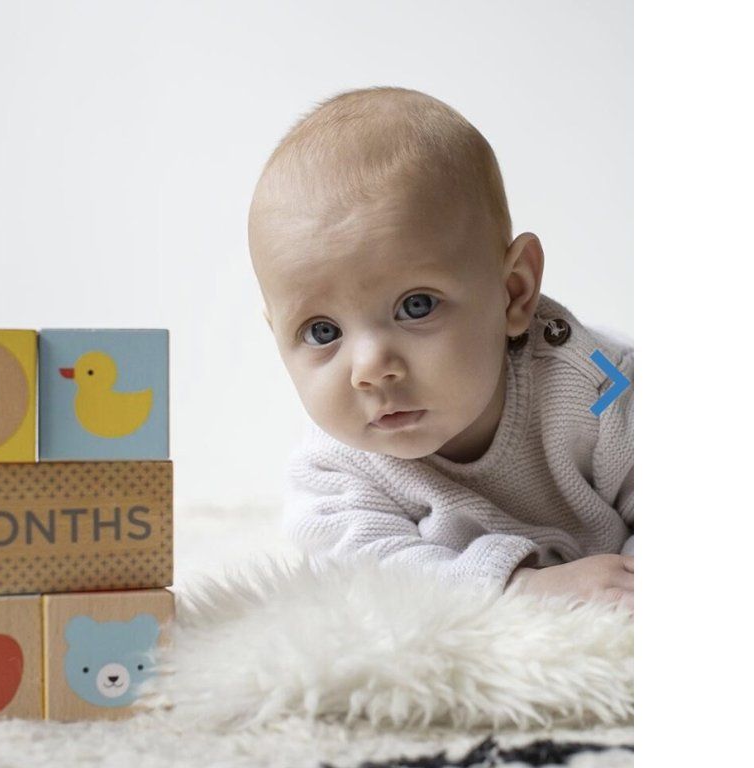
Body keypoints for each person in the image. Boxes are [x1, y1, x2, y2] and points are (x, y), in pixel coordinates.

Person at [248, 87, 633, 611]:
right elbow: (361, 576)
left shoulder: (600, 390)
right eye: (321, 332)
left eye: (416, 306)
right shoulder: (337, 469)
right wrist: (517, 587)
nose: (370, 368)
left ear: (514, 292)